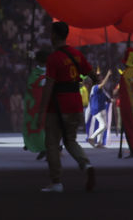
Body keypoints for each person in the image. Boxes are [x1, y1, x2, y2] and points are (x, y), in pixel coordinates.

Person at [38, 21, 97, 193]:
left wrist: (41, 110)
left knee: (52, 144)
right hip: (76, 104)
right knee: (70, 140)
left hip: (57, 107)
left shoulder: (54, 58)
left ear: (55, 35)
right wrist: (86, 83)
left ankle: (56, 182)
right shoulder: (77, 54)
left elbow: (49, 86)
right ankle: (86, 165)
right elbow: (94, 76)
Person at [23, 50, 49, 156]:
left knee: (40, 126)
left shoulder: (35, 73)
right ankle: (45, 147)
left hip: (40, 104)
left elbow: (30, 88)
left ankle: (45, 147)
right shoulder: (50, 72)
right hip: (45, 103)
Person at [87, 70, 113, 147]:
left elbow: (106, 99)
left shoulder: (101, 90)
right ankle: (91, 138)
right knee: (103, 126)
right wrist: (108, 74)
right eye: (98, 77)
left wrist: (111, 100)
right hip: (97, 109)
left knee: (102, 126)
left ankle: (99, 142)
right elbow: (103, 84)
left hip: (102, 109)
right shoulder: (95, 87)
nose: (100, 78)